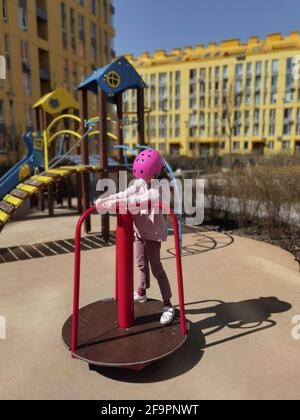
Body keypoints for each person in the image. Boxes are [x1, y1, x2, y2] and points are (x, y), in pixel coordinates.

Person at [95, 149, 175, 325]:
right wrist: (106, 199)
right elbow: (126, 194)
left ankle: (168, 304)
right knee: (140, 262)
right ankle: (142, 291)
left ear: (156, 172)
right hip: (140, 230)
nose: (143, 180)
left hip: (153, 233)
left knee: (156, 268)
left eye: (146, 177)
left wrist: (113, 204)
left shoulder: (160, 188)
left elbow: (136, 201)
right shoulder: (140, 182)